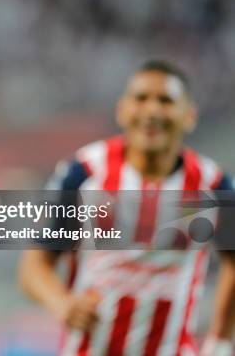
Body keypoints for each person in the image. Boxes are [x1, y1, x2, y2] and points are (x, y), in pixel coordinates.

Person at [18, 60, 235, 356]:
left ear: (189, 116)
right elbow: (33, 266)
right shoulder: (83, 173)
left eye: (166, 100)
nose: (152, 111)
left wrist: (220, 342)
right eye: (142, 99)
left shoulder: (214, 185)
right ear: (122, 110)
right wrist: (62, 303)